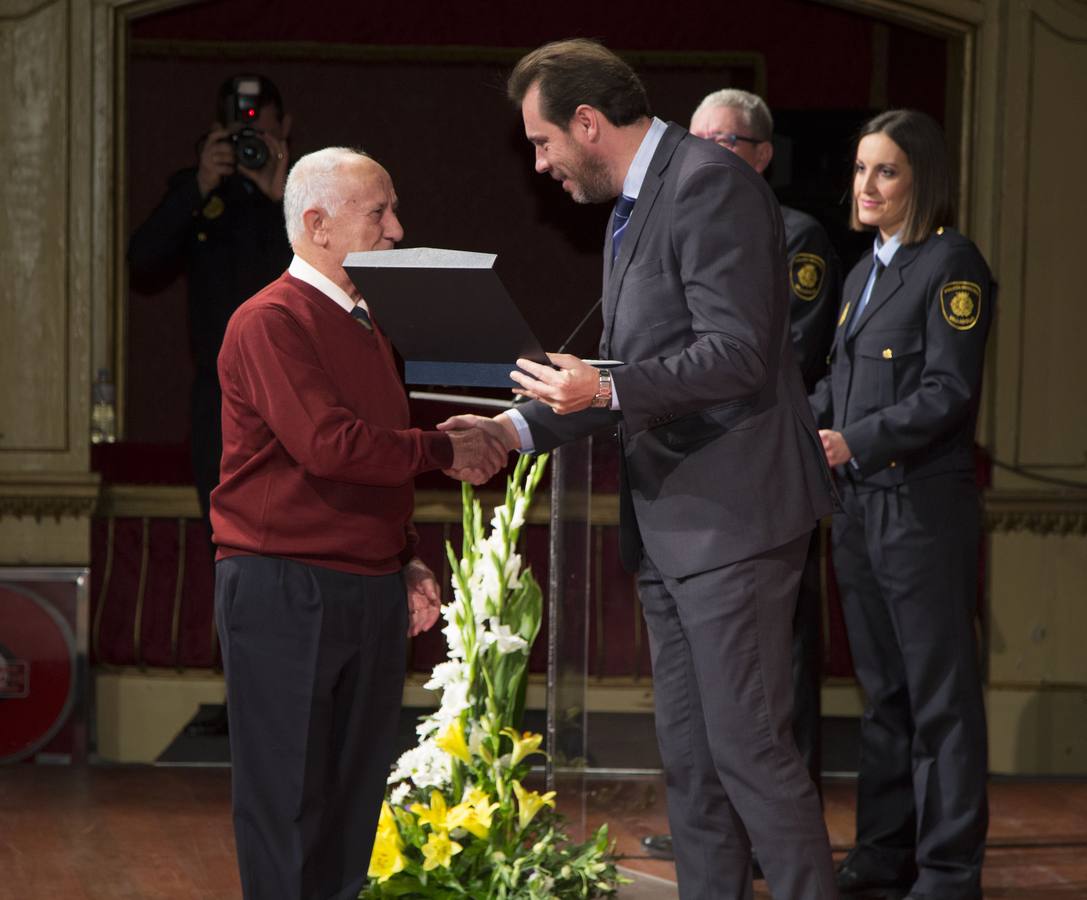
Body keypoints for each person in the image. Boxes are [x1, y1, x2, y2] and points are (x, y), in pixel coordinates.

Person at [441, 39, 837, 900]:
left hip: (733, 524)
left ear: (588, 122)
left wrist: (599, 393)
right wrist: (512, 429)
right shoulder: (636, 203)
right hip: (672, 532)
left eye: (542, 142)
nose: (540, 164)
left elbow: (735, 354)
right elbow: (626, 373)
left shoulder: (708, 184)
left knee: (751, 755)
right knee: (693, 768)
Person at [210, 147, 508, 900]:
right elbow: (328, 445)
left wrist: (402, 557)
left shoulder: (367, 323)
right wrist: (446, 448)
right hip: (286, 588)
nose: (396, 229)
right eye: (378, 213)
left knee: (352, 804)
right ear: (316, 224)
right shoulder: (269, 320)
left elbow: (368, 457)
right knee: (287, 805)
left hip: (364, 586)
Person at [809, 109, 992, 900]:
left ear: (920, 178)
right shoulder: (861, 273)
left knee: (938, 699)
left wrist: (853, 439)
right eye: (858, 170)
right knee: (883, 696)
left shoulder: (949, 265)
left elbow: (946, 393)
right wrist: (795, 424)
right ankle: (883, 853)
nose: (865, 186)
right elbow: (838, 389)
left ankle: (948, 873)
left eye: (884, 170)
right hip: (856, 509)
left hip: (919, 511)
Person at [691, 86, 841, 799]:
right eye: (696, 142)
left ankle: (779, 817)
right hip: (703, 471)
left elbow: (794, 352)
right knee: (717, 670)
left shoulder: (795, 234)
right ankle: (721, 820)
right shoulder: (684, 228)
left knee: (774, 660)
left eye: (721, 143)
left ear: (760, 155)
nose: (705, 157)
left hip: (767, 465)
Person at [129, 73, 293, 530]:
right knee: (228, 542)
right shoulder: (197, 193)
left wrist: (279, 201)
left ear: (286, 129)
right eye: (239, 131)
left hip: (292, 393)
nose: (250, 142)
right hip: (219, 397)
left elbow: (325, 289)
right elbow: (142, 262)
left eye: (261, 129)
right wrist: (199, 186)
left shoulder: (305, 200)